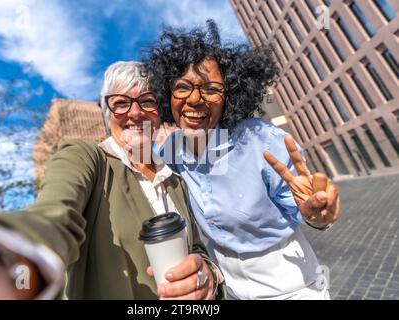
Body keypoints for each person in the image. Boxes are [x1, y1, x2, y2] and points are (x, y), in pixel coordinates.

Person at [0, 61, 224, 300]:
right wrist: (2, 253)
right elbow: (56, 216)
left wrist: (207, 278)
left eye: (147, 101)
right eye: (120, 103)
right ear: (107, 116)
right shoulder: (86, 158)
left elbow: (199, 249)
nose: (136, 112)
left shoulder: (176, 180)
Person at [142, 20, 341, 299]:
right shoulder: (171, 150)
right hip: (226, 290)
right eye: (183, 87)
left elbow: (306, 208)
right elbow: (145, 174)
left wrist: (317, 216)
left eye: (211, 88)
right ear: (168, 94)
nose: (196, 99)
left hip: (293, 288)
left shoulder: (264, 141)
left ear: (230, 96)